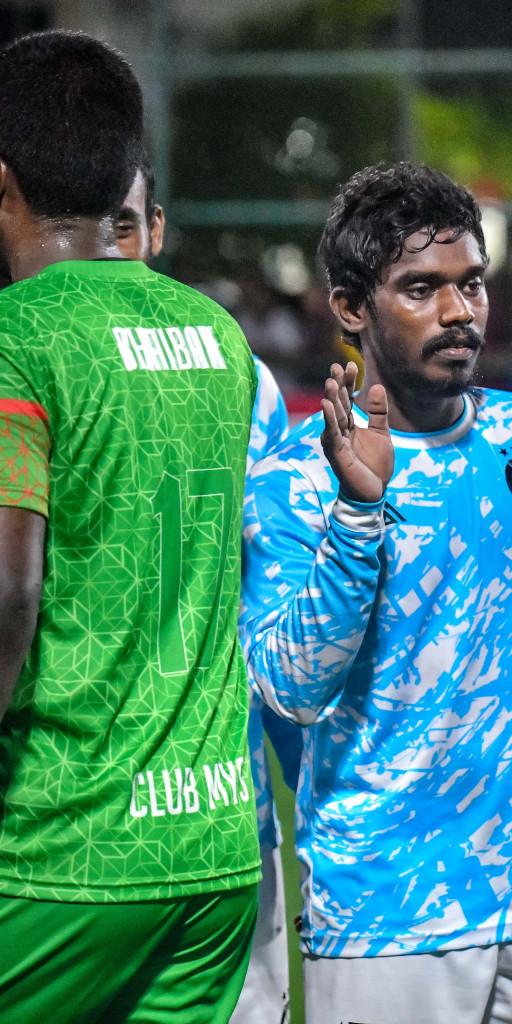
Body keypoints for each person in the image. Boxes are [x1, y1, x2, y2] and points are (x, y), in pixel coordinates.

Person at [240, 161, 512, 1024]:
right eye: (421, 288)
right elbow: (292, 689)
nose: (458, 311)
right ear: (352, 309)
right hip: (382, 918)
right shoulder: (293, 483)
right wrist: (358, 515)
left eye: (470, 283)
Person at [0, 31, 261, 1022]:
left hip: (61, 848)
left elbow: (11, 589)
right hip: (211, 851)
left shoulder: (19, 340)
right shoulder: (219, 337)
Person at [114, 156, 299, 1024]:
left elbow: (273, 606)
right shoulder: (238, 365)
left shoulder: (244, 377)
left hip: (220, 818)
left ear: (155, 232)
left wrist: (319, 806)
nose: (108, 249)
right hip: (105, 822)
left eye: (125, 224)